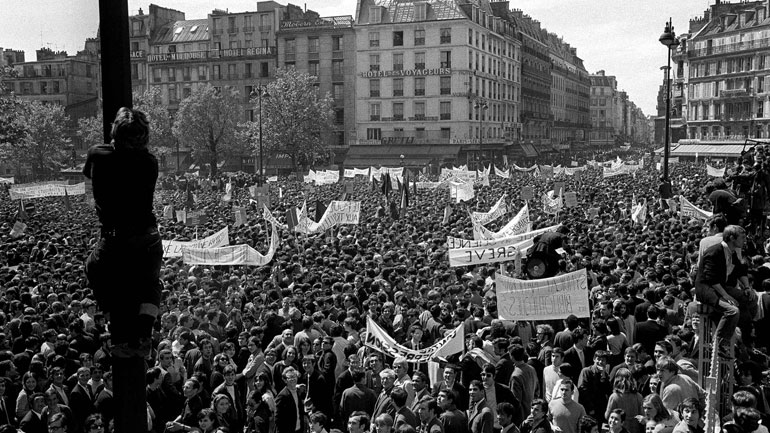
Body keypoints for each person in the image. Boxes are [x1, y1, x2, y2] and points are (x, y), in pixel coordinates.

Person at [83, 107, 162, 357]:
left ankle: (111, 320)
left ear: (115, 131)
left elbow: (88, 175)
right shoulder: (150, 162)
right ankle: (144, 332)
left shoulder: (97, 154)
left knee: (94, 268)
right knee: (149, 284)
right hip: (149, 237)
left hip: (117, 239)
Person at [694, 225, 744, 359]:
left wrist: (747, 288)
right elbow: (711, 279)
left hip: (721, 288)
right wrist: (726, 296)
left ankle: (741, 335)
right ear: (732, 238)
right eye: (742, 237)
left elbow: (740, 271)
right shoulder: (714, 252)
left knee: (748, 299)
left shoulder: (732, 253)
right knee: (733, 311)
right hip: (708, 290)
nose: (744, 240)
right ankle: (720, 344)